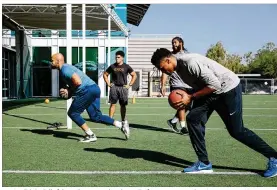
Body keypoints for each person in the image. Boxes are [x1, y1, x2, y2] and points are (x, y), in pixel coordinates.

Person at [151, 48, 277, 178]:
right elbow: (200, 84)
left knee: (237, 131)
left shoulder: (190, 63)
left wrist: (191, 97)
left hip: (227, 88)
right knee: (193, 119)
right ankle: (204, 163)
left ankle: (274, 157)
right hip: (211, 92)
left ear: (168, 60)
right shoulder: (179, 69)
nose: (163, 71)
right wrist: (188, 96)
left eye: (162, 68)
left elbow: (215, 84)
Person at [51, 53, 130, 142]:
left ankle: (90, 135)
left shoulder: (64, 70)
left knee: (73, 113)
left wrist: (68, 91)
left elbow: (77, 82)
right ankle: (121, 125)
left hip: (86, 90)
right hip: (94, 88)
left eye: (52, 60)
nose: (51, 63)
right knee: (96, 116)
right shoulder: (67, 68)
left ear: (58, 61)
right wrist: (69, 91)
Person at [160, 37, 191, 135]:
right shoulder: (169, 57)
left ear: (181, 43)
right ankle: (183, 127)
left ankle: (173, 121)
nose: (173, 44)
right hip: (176, 83)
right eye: (172, 43)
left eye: (175, 42)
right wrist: (163, 85)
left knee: (188, 105)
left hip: (188, 83)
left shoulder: (188, 54)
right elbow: (165, 72)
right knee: (181, 104)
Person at [103, 50, 137, 130]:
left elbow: (134, 75)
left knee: (123, 105)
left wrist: (130, 85)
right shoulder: (112, 66)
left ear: (122, 58)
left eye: (118, 57)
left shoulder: (126, 66)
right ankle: (110, 120)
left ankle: (123, 121)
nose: (116, 58)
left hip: (123, 88)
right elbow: (105, 74)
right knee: (113, 104)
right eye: (116, 57)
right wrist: (108, 83)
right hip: (114, 87)